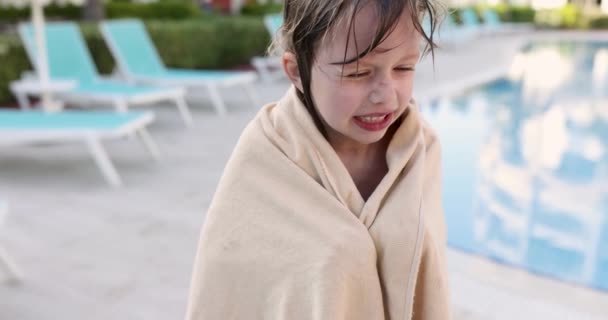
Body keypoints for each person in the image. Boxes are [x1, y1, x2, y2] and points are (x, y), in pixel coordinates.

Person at [185, 0, 450, 319]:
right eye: (358, 72)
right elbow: (229, 290)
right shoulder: (263, 160)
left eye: (404, 68)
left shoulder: (420, 148)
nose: (386, 94)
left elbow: (429, 278)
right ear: (296, 71)